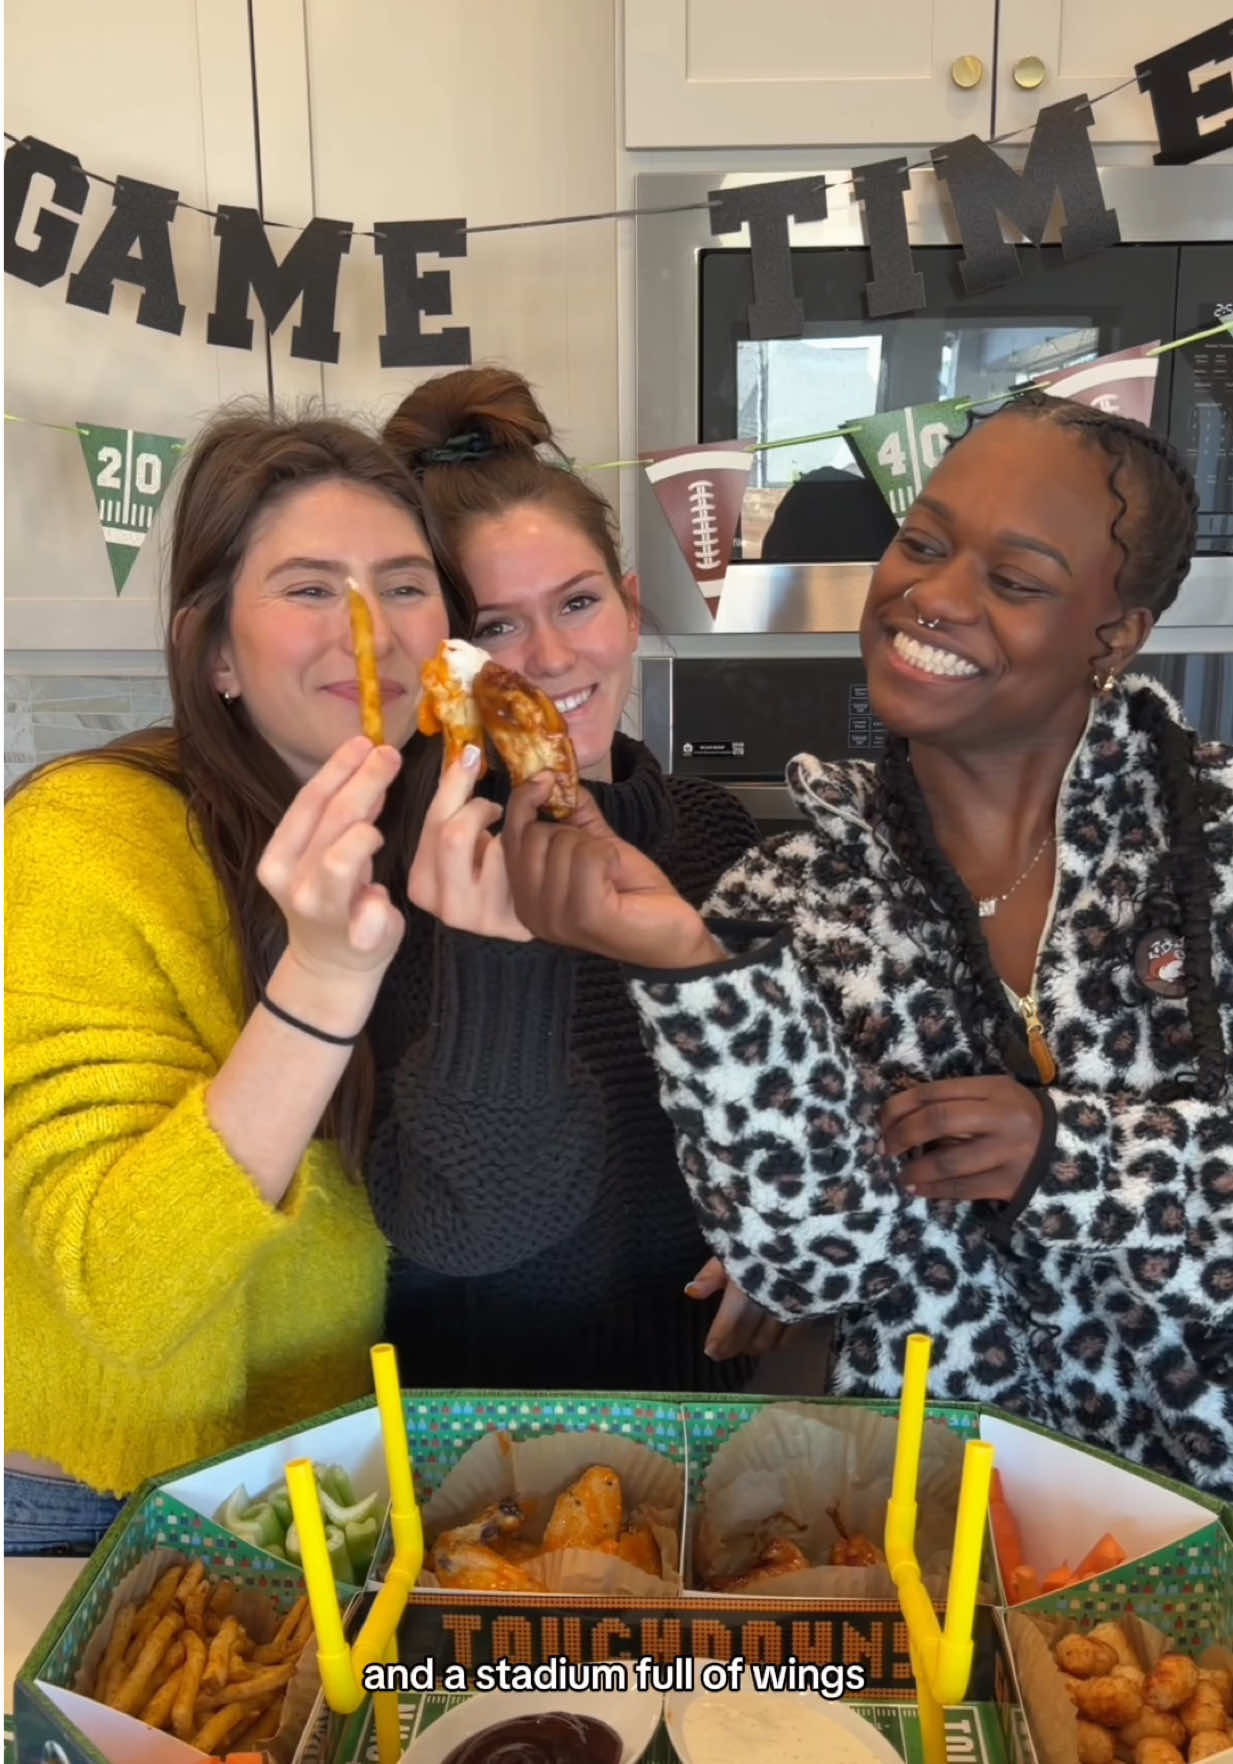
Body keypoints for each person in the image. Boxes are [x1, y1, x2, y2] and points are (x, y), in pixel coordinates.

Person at [498, 392, 1233, 1497]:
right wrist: (685, 966)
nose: (933, 596)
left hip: (1197, 1529)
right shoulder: (791, 895)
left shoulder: (1210, 848)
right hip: (919, 1523)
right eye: (923, 544)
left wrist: (1067, 1154)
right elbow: (810, 1264)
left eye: (1014, 580)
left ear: (1115, 635)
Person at [5, 412, 470, 1552]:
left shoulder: (436, 832)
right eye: (309, 589)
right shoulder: (81, 837)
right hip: (99, 1499)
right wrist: (320, 982)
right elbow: (122, 1291)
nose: (370, 631)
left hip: (329, 1467)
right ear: (214, 651)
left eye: (404, 586)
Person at [367, 366, 767, 1392]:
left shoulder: (718, 832)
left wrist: (784, 1235)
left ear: (629, 608)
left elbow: (782, 1100)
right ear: (444, 665)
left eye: (578, 603)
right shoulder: (399, 869)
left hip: (706, 1399)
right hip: (470, 1417)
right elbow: (465, 1227)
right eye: (496, 626)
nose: (548, 659)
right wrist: (495, 948)